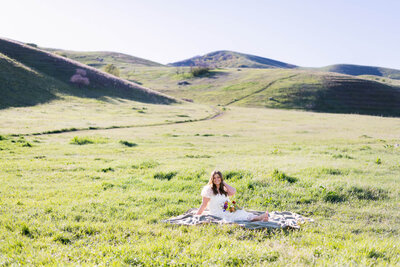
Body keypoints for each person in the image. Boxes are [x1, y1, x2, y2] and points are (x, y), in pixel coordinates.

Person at [195, 170, 269, 222]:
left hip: (227, 208)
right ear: (212, 179)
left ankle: (260, 219)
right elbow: (204, 204)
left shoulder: (223, 188)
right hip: (218, 212)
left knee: (240, 212)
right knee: (236, 215)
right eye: (214, 178)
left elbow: (233, 191)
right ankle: (259, 218)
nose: (216, 179)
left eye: (218, 177)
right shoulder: (209, 189)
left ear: (221, 178)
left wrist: (223, 183)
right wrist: (197, 215)